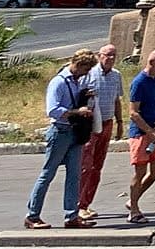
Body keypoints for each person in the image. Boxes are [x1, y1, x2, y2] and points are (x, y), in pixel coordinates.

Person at [24, 46, 101, 230]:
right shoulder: (58, 82)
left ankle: (71, 216)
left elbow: (74, 101)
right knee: (47, 174)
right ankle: (32, 215)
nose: (86, 73)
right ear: (78, 64)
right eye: (85, 69)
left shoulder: (76, 82)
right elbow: (53, 110)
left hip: (75, 132)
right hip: (60, 132)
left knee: (74, 175)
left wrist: (84, 96)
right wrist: (77, 111)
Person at [75, 40, 122, 218]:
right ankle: (78, 205)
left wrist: (120, 122)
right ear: (99, 56)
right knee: (86, 165)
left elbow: (117, 100)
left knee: (97, 166)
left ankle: (87, 203)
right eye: (107, 55)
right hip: (91, 123)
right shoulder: (89, 74)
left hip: (107, 122)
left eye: (113, 56)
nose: (110, 58)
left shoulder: (116, 75)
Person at [124, 46, 155, 225]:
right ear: (151, 62)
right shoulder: (139, 82)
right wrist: (150, 132)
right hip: (141, 134)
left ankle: (133, 199)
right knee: (140, 171)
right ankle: (134, 210)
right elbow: (133, 112)